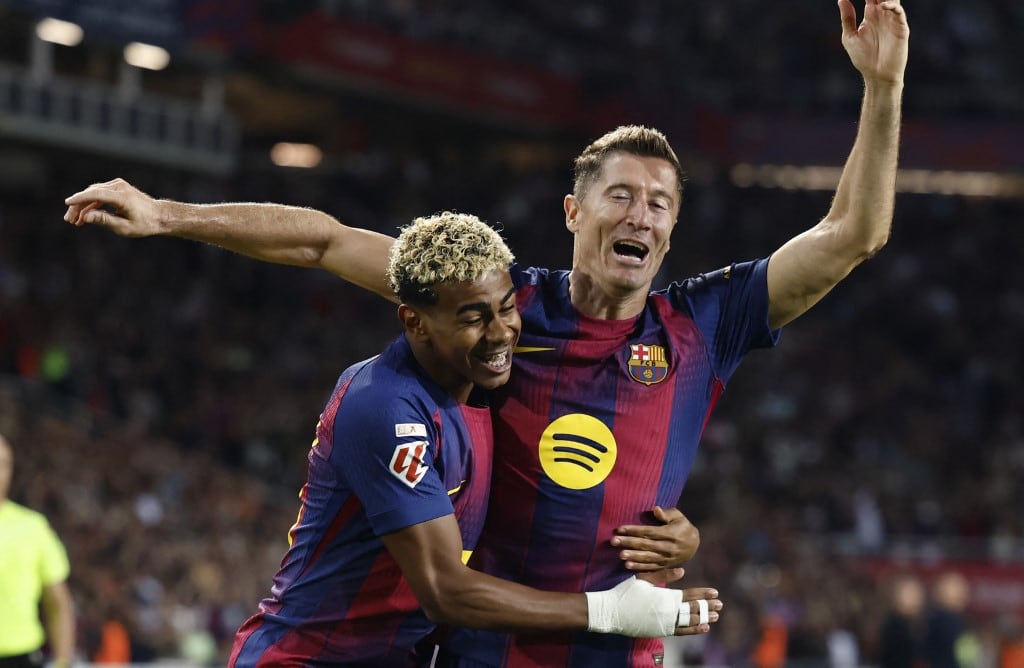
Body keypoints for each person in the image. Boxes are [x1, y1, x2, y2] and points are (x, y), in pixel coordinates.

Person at [64, 1, 909, 664]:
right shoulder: (499, 309)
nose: (639, 214)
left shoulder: (703, 324)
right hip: (483, 647)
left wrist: (882, 89)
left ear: (673, 228)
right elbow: (325, 240)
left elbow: (852, 236)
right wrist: (167, 213)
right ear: (574, 211)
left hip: (622, 651)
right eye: (619, 195)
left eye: (660, 203)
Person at [223, 212, 722, 665]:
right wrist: (608, 612)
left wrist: (665, 534)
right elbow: (445, 590)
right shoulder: (387, 406)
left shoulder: (482, 387)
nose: (502, 332)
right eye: (472, 317)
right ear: (414, 322)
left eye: (507, 308)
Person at [0, 433, 76, 668]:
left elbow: (59, 602)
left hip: (19, 657)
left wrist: (62, 662)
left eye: (3, 464)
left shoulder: (33, 528)